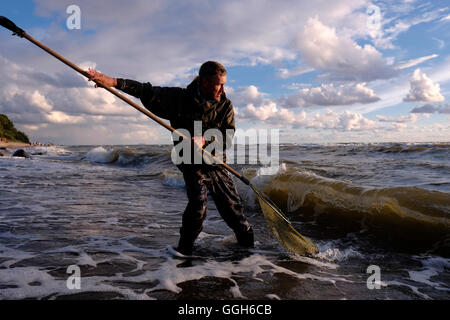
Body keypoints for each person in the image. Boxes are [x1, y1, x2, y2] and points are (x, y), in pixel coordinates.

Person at [86, 61, 254, 255]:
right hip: (190, 161)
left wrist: (206, 140)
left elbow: (228, 136)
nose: (223, 89)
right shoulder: (179, 98)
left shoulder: (225, 105)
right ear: (205, 82)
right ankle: (184, 252)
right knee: (198, 205)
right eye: (219, 84)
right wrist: (113, 82)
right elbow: (145, 90)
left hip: (215, 162)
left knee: (234, 213)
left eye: (224, 84)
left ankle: (250, 253)